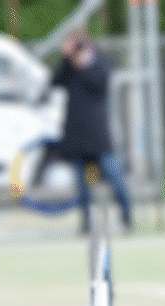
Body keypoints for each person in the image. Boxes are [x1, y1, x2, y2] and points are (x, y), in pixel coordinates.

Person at [49, 27, 132, 234]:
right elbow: (54, 81)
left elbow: (100, 81)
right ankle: (86, 223)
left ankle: (127, 218)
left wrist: (82, 63)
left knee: (115, 177)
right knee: (82, 187)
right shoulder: (69, 67)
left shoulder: (98, 62)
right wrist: (67, 59)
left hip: (97, 135)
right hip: (76, 135)